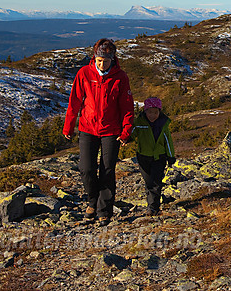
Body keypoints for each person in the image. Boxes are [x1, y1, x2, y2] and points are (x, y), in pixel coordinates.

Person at [63, 38, 134, 224]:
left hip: (111, 130)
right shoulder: (84, 73)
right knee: (86, 168)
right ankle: (92, 201)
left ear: (113, 59)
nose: (102, 64)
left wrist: (126, 130)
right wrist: (68, 126)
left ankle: (104, 210)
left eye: (106, 60)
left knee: (107, 170)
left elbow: (127, 106)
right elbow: (75, 102)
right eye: (99, 60)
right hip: (87, 128)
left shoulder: (121, 77)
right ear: (94, 58)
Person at [130, 97, 176, 216]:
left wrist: (171, 157)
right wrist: (124, 138)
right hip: (143, 157)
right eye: (150, 112)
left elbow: (168, 141)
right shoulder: (139, 123)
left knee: (156, 182)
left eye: (155, 112)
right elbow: (131, 134)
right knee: (148, 182)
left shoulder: (163, 124)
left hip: (159, 157)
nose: (153, 115)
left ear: (159, 112)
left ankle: (153, 207)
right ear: (145, 111)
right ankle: (151, 204)